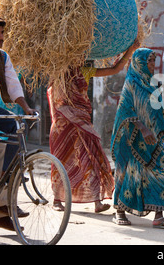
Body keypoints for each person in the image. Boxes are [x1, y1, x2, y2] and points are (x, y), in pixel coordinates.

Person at [48, 38, 140, 213]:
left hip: (82, 122)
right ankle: (57, 199)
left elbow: (114, 69)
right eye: (78, 54)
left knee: (90, 158)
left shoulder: (85, 71)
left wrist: (130, 50)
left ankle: (97, 201)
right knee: (61, 161)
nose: (81, 57)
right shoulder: (57, 72)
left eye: (83, 54)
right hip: (62, 125)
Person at [0, 14, 37, 231]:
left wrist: (26, 108)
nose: (1, 37)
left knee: (14, 127)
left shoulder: (2, 57)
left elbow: (13, 86)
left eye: (2, 32)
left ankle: (3, 183)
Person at [110, 48, 164, 229]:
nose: (153, 66)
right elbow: (125, 110)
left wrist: (156, 130)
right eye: (149, 62)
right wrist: (143, 128)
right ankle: (119, 211)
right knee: (125, 173)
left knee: (157, 171)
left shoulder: (153, 84)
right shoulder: (131, 82)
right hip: (130, 138)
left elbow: (157, 109)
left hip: (151, 140)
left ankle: (159, 216)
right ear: (139, 62)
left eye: (154, 61)